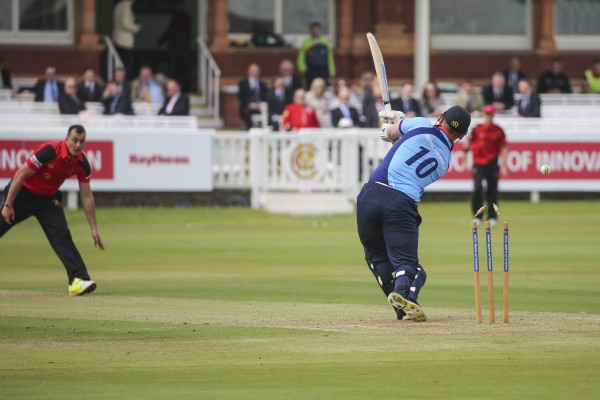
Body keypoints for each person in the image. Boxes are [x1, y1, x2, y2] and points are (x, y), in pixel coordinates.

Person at [357, 105, 472, 321]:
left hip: (369, 195)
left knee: (375, 255)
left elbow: (389, 132)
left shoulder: (420, 125)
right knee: (408, 264)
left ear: (442, 118)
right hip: (400, 203)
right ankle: (401, 294)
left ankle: (403, 307)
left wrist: (391, 122)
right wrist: (398, 132)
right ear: (461, 135)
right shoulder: (444, 161)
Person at [1, 125, 104, 296]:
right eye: (74, 140)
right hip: (22, 195)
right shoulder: (49, 151)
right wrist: (8, 204)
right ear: (67, 139)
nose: (78, 145)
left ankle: (78, 280)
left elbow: (87, 197)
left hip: (48, 200)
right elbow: (20, 175)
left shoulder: (82, 163)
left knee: (62, 236)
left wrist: (93, 228)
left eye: (82, 141)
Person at [462, 104, 508, 227]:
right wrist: (464, 161)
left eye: (491, 114)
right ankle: (478, 216)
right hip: (479, 164)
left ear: (493, 115)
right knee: (477, 188)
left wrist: (504, 165)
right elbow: (466, 145)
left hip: (492, 164)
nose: (489, 117)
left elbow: (504, 147)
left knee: (492, 191)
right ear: (483, 115)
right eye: (487, 114)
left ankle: (492, 217)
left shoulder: (498, 130)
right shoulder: (477, 129)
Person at [156, 0, 192, 91]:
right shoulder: (179, 17)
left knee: (181, 69)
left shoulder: (185, 17)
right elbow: (170, 31)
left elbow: (171, 31)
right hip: (176, 47)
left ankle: (184, 88)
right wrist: (161, 41)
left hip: (181, 47)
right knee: (175, 69)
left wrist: (161, 41)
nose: (178, 7)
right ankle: (176, 88)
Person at [297, 22, 336, 89]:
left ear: (320, 30)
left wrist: (332, 73)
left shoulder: (325, 42)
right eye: (313, 31)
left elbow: (330, 59)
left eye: (317, 30)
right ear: (311, 31)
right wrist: (303, 69)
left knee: (323, 88)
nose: (315, 32)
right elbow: (301, 58)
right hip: (310, 70)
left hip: (323, 70)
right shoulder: (306, 42)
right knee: (310, 88)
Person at [112, 0, 142, 79]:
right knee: (126, 65)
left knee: (121, 64)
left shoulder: (118, 5)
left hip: (117, 38)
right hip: (124, 40)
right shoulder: (126, 7)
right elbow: (125, 24)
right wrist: (136, 27)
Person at [238, 63, 268, 130]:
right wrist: (250, 104)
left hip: (260, 106)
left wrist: (260, 104)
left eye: (256, 70)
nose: (254, 72)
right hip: (248, 106)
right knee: (247, 112)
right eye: (253, 70)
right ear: (249, 71)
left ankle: (264, 130)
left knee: (267, 111)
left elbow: (265, 96)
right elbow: (241, 96)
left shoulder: (262, 84)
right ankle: (249, 129)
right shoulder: (243, 83)